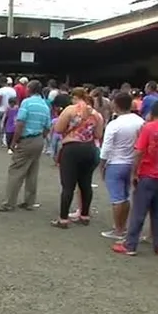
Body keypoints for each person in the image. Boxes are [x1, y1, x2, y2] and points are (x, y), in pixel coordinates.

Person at [112, 101, 158, 256]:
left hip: (147, 174)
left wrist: (134, 173)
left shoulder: (148, 128)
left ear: (152, 113)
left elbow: (139, 151)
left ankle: (130, 244)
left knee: (139, 211)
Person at [0, 79, 51, 212]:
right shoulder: (44, 105)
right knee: (32, 171)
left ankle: (9, 202)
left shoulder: (26, 103)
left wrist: (14, 142)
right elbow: (47, 127)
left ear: (30, 89)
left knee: (16, 171)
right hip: (38, 139)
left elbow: (20, 123)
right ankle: (29, 201)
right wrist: (40, 137)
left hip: (26, 139)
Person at [53, 87, 105, 228]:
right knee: (86, 183)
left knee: (68, 185)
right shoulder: (96, 114)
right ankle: (84, 215)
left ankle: (63, 219)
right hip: (89, 148)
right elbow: (98, 135)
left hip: (71, 148)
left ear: (74, 97)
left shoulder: (70, 110)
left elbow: (58, 129)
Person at [97, 92, 144, 239]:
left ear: (116, 105)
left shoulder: (114, 124)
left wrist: (102, 165)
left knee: (117, 198)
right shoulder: (140, 121)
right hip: (132, 163)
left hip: (116, 163)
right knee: (125, 196)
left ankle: (118, 229)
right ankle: (123, 226)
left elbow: (106, 147)